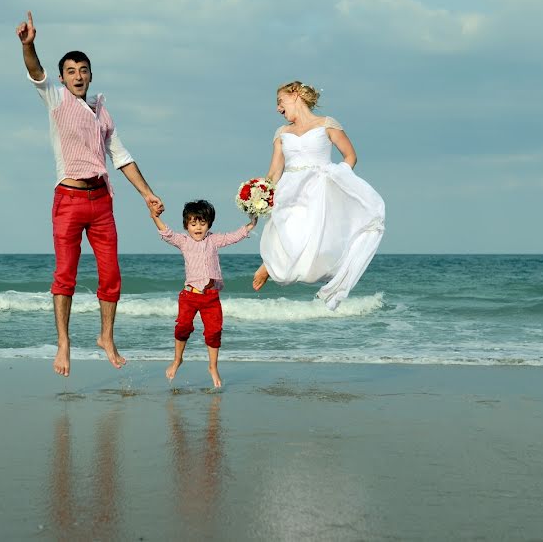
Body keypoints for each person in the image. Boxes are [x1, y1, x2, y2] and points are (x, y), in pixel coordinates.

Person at [16, 10, 164, 377]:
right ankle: (64, 343)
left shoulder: (101, 111)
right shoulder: (56, 99)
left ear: (90, 75)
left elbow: (121, 156)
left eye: (83, 70)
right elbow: (36, 73)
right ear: (63, 78)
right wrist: (29, 45)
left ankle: (106, 337)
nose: (78, 76)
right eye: (71, 71)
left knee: (111, 274)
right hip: (68, 199)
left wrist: (147, 194)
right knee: (65, 274)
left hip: (101, 201)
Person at [252, 81, 385, 310]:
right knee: (289, 232)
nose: (277, 108)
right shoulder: (282, 133)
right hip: (290, 189)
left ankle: (309, 273)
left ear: (294, 95)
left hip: (319, 187)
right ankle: (270, 265)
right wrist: (259, 197)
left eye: (279, 101)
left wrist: (338, 178)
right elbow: (275, 171)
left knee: (318, 238)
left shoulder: (327, 124)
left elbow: (350, 156)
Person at [150, 200, 257, 387]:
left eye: (202, 223)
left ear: (209, 224)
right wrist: (155, 217)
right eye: (193, 223)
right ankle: (177, 360)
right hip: (189, 295)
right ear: (186, 225)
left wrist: (251, 223)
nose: (198, 227)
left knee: (214, 332)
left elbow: (234, 236)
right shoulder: (183, 241)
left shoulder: (214, 240)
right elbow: (167, 233)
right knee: (183, 326)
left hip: (211, 296)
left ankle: (213, 367)